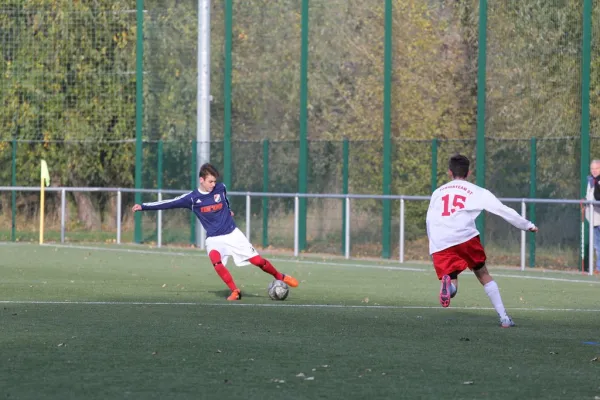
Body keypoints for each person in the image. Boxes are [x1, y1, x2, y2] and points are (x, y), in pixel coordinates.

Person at [132, 163, 299, 300]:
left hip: (232, 234)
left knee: (258, 261)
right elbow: (169, 203)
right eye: (210, 181)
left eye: (214, 181)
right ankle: (235, 291)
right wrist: (144, 206)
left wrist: (229, 210)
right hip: (214, 238)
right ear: (202, 180)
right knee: (215, 260)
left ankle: (280, 276)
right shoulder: (191, 199)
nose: (213, 184)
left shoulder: (221, 188)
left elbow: (225, 201)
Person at [426, 154, 538, 328]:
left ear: (449, 172)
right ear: (469, 172)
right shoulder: (476, 191)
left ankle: (448, 288)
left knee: (451, 279)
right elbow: (502, 210)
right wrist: (526, 225)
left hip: (441, 239)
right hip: (464, 237)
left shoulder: (437, 193)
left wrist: (433, 243)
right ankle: (504, 318)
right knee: (483, 274)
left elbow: (429, 219)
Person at [585, 160, 600, 274]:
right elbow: (589, 197)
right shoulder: (590, 181)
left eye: (597, 168)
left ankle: (599, 268)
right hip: (594, 218)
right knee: (596, 244)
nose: (594, 171)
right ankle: (598, 268)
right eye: (592, 168)